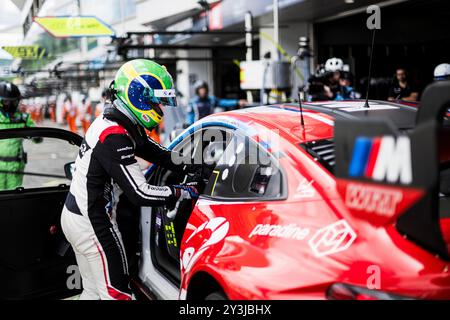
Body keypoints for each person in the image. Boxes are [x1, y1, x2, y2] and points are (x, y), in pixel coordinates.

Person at [60, 59, 202, 300]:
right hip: (92, 223)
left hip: (75, 216)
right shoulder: (114, 134)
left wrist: (190, 163)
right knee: (118, 294)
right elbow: (141, 193)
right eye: (157, 102)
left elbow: (152, 150)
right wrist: (183, 191)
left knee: (93, 291)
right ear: (139, 96)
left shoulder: (115, 120)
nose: (160, 109)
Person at [0, 82, 35, 190]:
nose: (10, 105)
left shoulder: (24, 118)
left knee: (13, 198)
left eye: (13, 102)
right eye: (6, 101)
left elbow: (37, 138)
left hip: (15, 165)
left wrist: (35, 135)